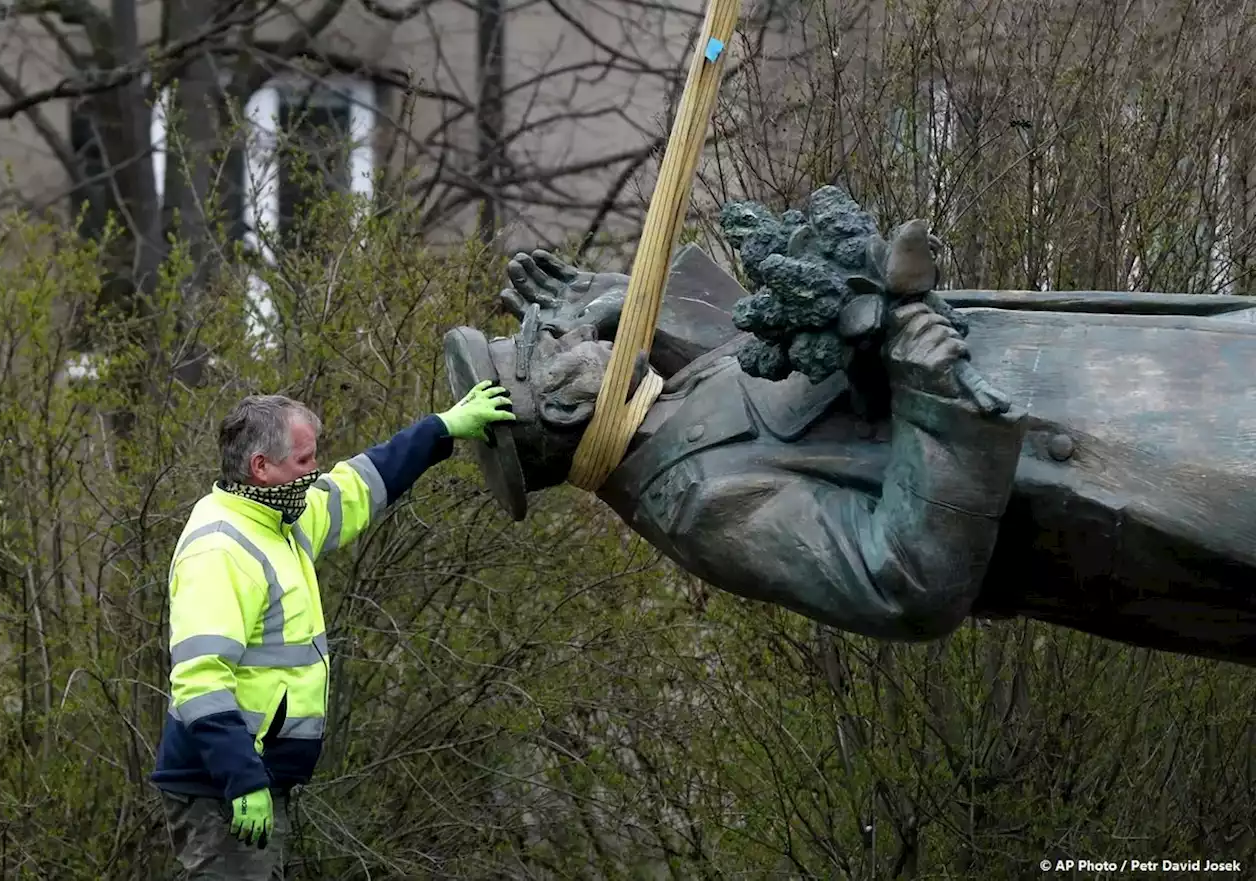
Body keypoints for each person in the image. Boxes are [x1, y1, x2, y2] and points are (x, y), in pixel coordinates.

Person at [442, 241, 1256, 669]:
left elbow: (757, 353)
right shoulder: (694, 499)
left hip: (1128, 366)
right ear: (562, 404)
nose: (564, 331)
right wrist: (934, 401)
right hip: (1130, 465)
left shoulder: (668, 399)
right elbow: (903, 582)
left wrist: (639, 302)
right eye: (545, 349)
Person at [152, 382, 514, 878]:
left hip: (251, 778)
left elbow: (359, 486)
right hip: (222, 787)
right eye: (304, 461)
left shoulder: (282, 517)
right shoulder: (220, 548)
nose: (314, 471)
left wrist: (442, 428)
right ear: (262, 467)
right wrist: (242, 781)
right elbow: (200, 679)